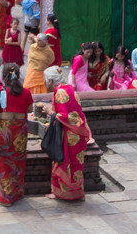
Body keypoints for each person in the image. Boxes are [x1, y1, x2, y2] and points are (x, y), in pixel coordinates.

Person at [0, 64, 33, 206]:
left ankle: (4, 199)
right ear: (18, 76)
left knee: (2, 165)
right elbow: (29, 109)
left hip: (3, 132)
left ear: (4, 76)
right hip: (20, 133)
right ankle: (16, 194)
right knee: (17, 163)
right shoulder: (26, 92)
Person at [43, 65, 93, 201]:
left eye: (45, 81)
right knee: (77, 166)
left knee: (65, 164)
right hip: (79, 133)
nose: (44, 84)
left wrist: (50, 112)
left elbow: (64, 116)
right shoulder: (69, 88)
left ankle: (62, 193)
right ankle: (78, 193)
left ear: (51, 81)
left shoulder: (59, 92)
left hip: (70, 135)